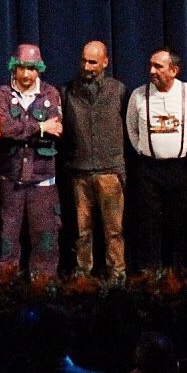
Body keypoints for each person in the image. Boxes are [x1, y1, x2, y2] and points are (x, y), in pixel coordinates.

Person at [0, 43, 63, 278]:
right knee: (7, 237)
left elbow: (57, 128)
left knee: (45, 237)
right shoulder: (2, 94)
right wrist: (41, 127)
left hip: (42, 180)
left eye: (32, 69)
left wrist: (28, 129)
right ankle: (6, 288)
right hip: (11, 179)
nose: (27, 74)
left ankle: (43, 285)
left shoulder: (50, 93)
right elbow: (5, 129)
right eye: (22, 68)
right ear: (14, 68)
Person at [125, 48, 187, 271]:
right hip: (149, 170)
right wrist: (143, 150)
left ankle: (182, 274)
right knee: (149, 225)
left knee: (181, 224)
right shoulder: (139, 95)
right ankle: (152, 275)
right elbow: (131, 129)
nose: (152, 71)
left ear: (174, 70)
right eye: (151, 65)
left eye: (158, 66)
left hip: (180, 169)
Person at [62, 40, 126, 281]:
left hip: (110, 170)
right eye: (83, 61)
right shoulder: (67, 91)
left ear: (105, 62)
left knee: (114, 230)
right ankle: (83, 278)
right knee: (81, 230)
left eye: (93, 62)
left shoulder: (118, 90)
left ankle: (117, 276)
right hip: (79, 171)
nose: (87, 66)